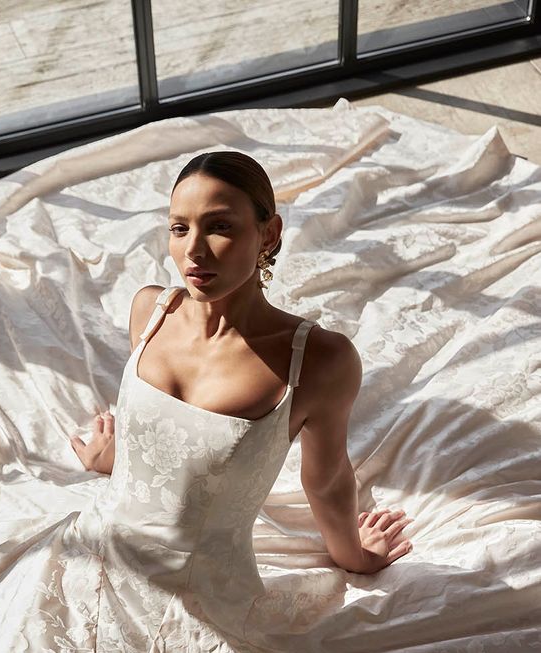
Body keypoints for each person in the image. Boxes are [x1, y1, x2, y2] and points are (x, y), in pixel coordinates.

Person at [69, 149, 414, 575]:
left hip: (199, 591)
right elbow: (164, 435)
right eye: (179, 228)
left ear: (268, 236)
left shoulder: (319, 360)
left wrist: (357, 557)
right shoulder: (149, 311)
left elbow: (325, 481)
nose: (193, 250)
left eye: (219, 228)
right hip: (96, 547)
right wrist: (117, 459)